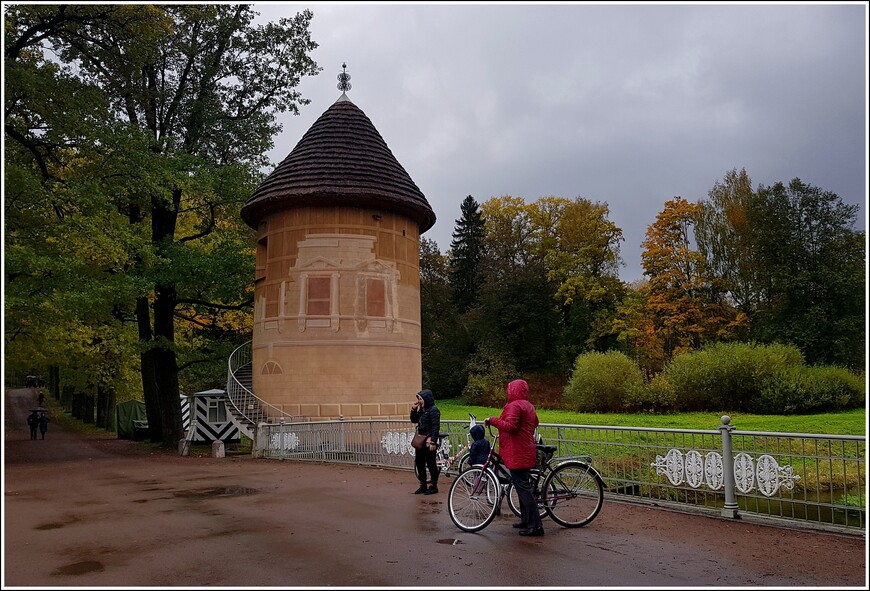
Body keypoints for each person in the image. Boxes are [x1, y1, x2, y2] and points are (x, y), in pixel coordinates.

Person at [485, 378, 544, 537]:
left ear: (512, 390)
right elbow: (535, 423)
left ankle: (536, 525)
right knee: (522, 486)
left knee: (523, 489)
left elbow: (510, 426)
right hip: (525, 449)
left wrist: (493, 420)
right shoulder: (528, 405)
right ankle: (526, 519)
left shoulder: (514, 405)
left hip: (516, 451)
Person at [409, 389, 441, 495]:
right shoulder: (422, 411)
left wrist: (433, 442)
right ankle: (423, 485)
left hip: (428, 441)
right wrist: (414, 410)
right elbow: (414, 420)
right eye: (418, 398)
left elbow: (435, 427)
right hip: (420, 441)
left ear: (426, 399)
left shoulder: (434, 410)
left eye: (420, 399)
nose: (419, 401)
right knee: (419, 463)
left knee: (431, 464)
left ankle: (433, 486)